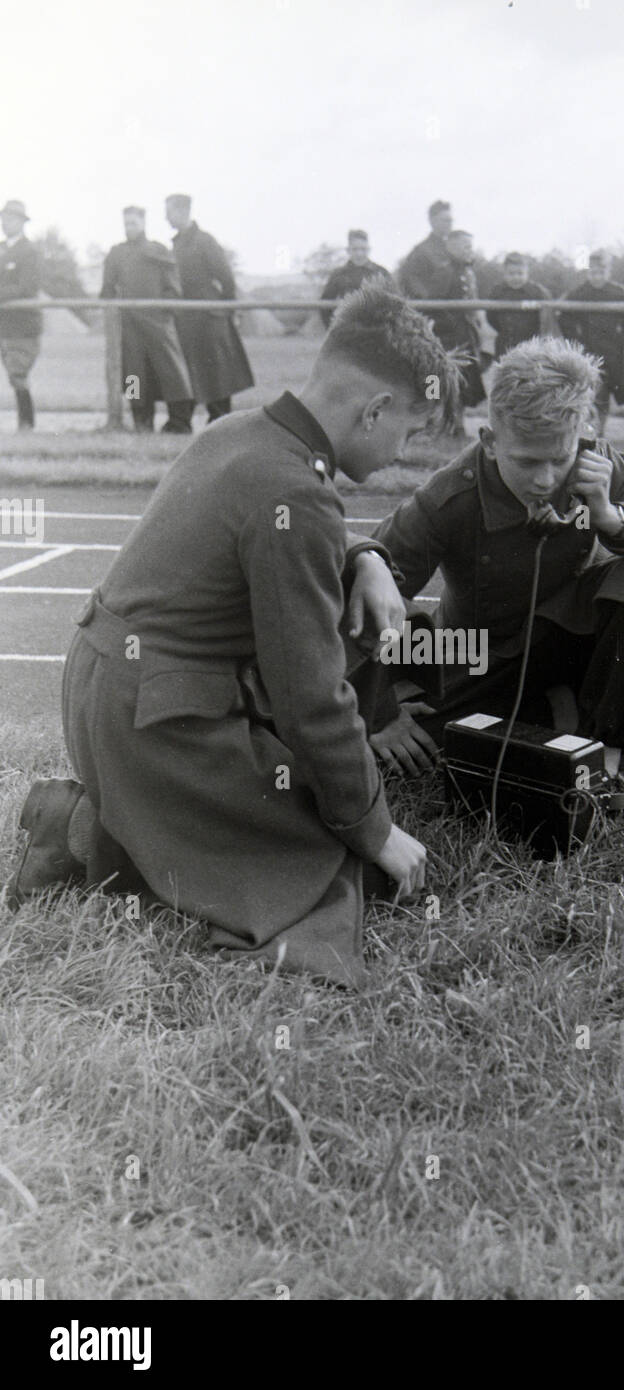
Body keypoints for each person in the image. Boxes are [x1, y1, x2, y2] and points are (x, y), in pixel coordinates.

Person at [6, 285, 461, 990]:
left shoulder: (242, 432)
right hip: (155, 721)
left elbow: (267, 534)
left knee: (296, 826)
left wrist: (363, 556)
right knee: (329, 873)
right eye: (409, 429)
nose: (404, 451)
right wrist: (375, 831)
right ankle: (80, 828)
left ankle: (115, 818)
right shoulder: (296, 491)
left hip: (106, 690)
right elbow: (311, 699)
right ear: (373, 409)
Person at [369, 338, 624, 789]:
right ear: (490, 442)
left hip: (575, 644)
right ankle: (556, 711)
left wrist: (613, 518)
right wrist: (382, 705)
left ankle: (605, 754)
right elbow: (365, 588)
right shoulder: (446, 497)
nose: (546, 479)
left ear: (583, 435)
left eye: (560, 458)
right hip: (477, 654)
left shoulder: (601, 465)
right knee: (409, 754)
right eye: (527, 461)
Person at [100, 206, 194, 433]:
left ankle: (180, 422)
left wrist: (161, 312)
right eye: (126, 224)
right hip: (130, 326)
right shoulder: (117, 253)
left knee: (172, 373)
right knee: (134, 376)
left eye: (133, 223)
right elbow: (107, 289)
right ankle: (141, 421)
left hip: (158, 324)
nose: (129, 228)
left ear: (143, 223)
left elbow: (174, 289)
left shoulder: (158, 251)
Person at [165, 193, 254, 424]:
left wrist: (223, 310)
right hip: (187, 319)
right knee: (188, 370)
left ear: (182, 212)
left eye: (169, 212)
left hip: (209, 318)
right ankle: (181, 421)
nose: (166, 217)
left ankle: (220, 420)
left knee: (216, 372)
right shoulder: (176, 244)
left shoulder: (205, 241)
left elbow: (226, 279)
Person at [558, 250, 624, 434]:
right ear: (587, 272)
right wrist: (575, 341)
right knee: (589, 388)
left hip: (612, 349)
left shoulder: (619, 292)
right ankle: (585, 428)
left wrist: (623, 339)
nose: (597, 277)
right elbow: (564, 317)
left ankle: (601, 429)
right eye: (593, 273)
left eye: (601, 272)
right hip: (588, 346)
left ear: (609, 272)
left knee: (606, 389)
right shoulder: (579, 293)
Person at [428, 229, 489, 430]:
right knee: (437, 379)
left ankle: (457, 425)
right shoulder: (445, 270)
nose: (470, 250)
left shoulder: (468, 271)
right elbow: (434, 303)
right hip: (447, 335)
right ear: (451, 247)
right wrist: (448, 325)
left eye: (470, 246)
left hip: (465, 333)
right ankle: (435, 426)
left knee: (463, 379)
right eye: (465, 246)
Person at [0, 200, 42, 431]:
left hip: (22, 325)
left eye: (11, 219)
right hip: (4, 324)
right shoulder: (2, 248)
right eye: (3, 218)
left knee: (18, 374)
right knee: (12, 375)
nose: (5, 223)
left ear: (22, 222)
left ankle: (26, 425)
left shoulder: (30, 251)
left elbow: (26, 288)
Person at [319, 230, 393, 328]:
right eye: (355, 249)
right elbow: (325, 305)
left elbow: (395, 302)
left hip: (375, 331)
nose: (359, 254)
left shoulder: (381, 273)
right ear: (348, 250)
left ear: (369, 249)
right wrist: (334, 330)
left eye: (363, 249)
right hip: (347, 331)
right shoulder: (338, 274)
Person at [486, 253, 552, 358]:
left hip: (531, 344)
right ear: (504, 274)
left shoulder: (537, 292)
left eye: (520, 273)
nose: (516, 277)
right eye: (511, 274)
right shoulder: (497, 292)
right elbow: (491, 317)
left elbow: (547, 318)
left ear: (527, 273)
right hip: (505, 343)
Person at [398, 199, 454, 299]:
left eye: (451, 220)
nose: (449, 224)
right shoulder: (421, 251)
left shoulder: (454, 249)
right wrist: (430, 301)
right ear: (432, 221)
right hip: (436, 311)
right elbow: (410, 279)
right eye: (445, 220)